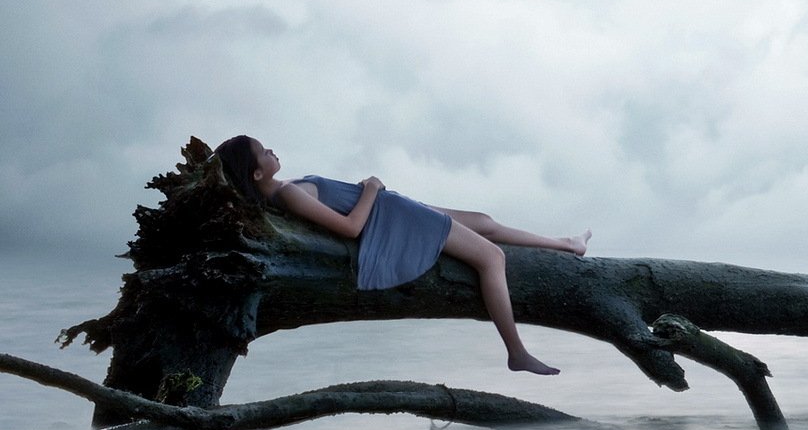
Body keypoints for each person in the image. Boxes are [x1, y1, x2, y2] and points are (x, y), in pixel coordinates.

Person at [214, 135, 589, 376]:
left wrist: (375, 194)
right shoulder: (288, 195)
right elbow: (351, 229)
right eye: (264, 152)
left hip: (395, 212)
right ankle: (517, 352)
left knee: (484, 222)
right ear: (257, 173)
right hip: (391, 219)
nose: (272, 150)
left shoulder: (284, 191)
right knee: (492, 257)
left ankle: (568, 243)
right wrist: (373, 188)